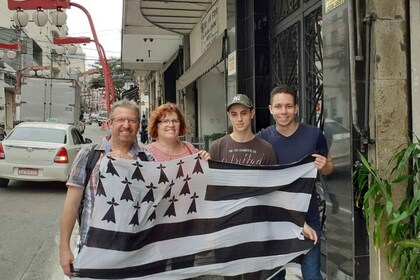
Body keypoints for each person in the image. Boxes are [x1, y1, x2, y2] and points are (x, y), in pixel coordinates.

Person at [209, 94, 317, 280]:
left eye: (243, 113)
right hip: (227, 227)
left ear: (252, 114)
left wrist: (301, 222)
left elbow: (275, 190)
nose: (239, 118)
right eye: (234, 114)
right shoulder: (217, 147)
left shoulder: (265, 148)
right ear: (229, 116)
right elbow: (211, 192)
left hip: (257, 226)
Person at [59, 99, 153, 277]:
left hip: (134, 254)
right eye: (120, 120)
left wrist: (130, 165)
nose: (126, 125)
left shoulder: (147, 159)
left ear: (138, 125)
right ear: (110, 123)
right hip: (93, 250)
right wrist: (64, 249)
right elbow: (71, 205)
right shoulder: (88, 155)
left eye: (132, 121)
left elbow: (153, 203)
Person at [257, 84, 334, 280]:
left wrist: (324, 165)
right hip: (274, 217)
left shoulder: (314, 135)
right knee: (274, 275)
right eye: (279, 106)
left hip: (309, 213)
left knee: (312, 273)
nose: (284, 111)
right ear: (271, 109)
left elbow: (328, 168)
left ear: (296, 108)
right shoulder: (262, 139)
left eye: (288, 106)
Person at [145, 102, 210, 161]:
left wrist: (205, 162)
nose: (171, 125)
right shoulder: (147, 153)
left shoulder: (189, 148)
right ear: (156, 126)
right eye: (165, 121)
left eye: (175, 121)